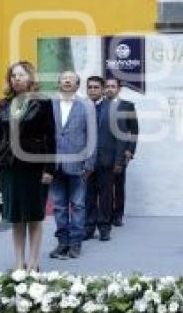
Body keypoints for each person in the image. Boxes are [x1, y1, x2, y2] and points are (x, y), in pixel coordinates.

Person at [0, 61, 56, 271]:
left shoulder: (43, 103)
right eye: (13, 76)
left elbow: (51, 137)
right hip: (9, 166)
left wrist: (49, 169)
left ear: (30, 79)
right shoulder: (3, 104)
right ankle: (19, 262)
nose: (16, 79)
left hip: (35, 166)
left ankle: (34, 262)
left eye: (21, 75)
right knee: (16, 216)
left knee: (35, 215)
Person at [49, 70, 95, 260]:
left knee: (78, 205)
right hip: (54, 164)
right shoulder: (49, 104)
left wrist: (90, 163)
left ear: (77, 84)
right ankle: (62, 243)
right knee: (59, 206)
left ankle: (76, 243)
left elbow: (92, 136)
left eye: (71, 79)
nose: (67, 80)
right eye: (63, 78)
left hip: (78, 165)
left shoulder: (86, 105)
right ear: (58, 83)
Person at [83, 76, 127, 242]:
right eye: (90, 87)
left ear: (102, 90)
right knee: (88, 196)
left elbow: (121, 136)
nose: (92, 90)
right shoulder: (82, 107)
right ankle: (88, 227)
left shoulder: (114, 107)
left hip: (106, 160)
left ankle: (104, 228)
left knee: (106, 196)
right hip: (86, 162)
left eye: (96, 87)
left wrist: (118, 161)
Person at [103, 77, 138, 227]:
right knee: (105, 186)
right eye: (107, 86)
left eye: (113, 86)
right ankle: (106, 215)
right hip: (103, 153)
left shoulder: (127, 106)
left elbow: (134, 130)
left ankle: (118, 216)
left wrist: (130, 150)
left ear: (118, 89)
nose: (110, 89)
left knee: (118, 185)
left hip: (120, 153)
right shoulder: (99, 105)